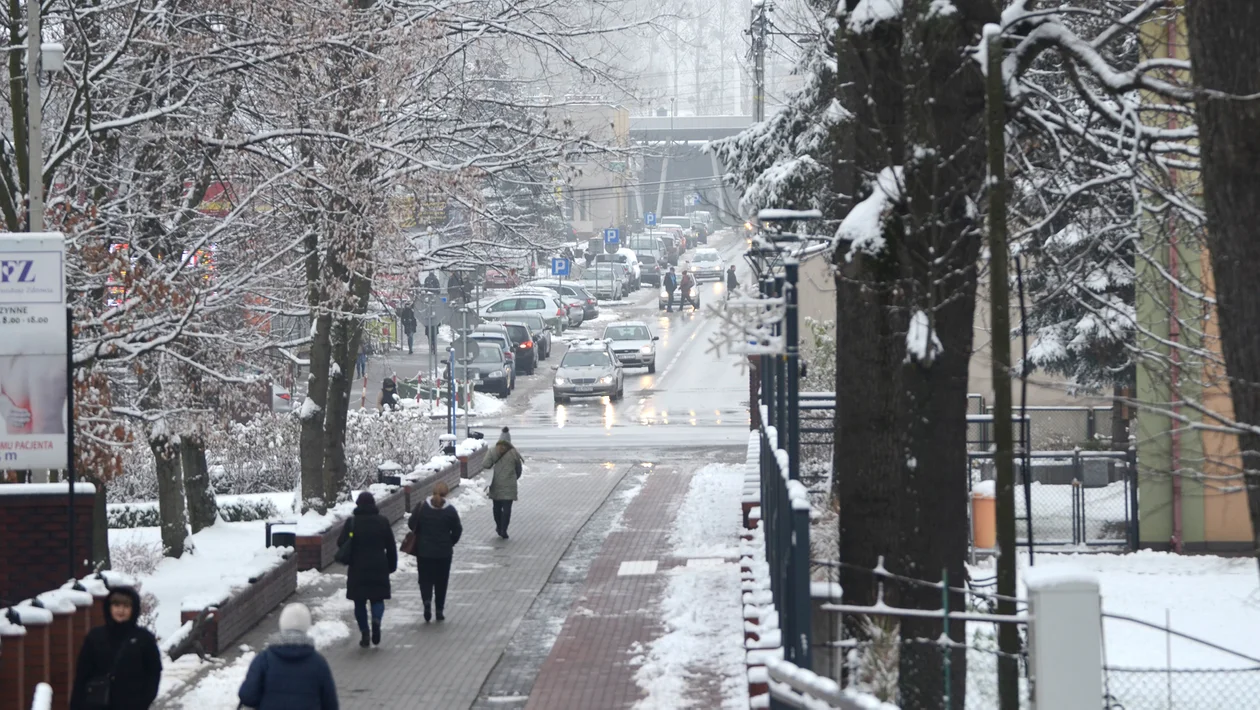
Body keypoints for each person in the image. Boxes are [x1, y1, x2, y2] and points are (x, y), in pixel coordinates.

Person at [70, 585, 161, 710]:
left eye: (126, 606)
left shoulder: (144, 639)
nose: (121, 611)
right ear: (109, 607)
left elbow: (153, 673)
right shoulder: (95, 637)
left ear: (133, 610)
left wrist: (143, 701)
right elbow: (82, 675)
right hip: (97, 705)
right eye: (116, 605)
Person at [237, 603, 338, 710]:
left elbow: (248, 696)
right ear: (306, 626)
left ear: (282, 623)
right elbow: (330, 703)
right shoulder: (318, 663)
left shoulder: (264, 659)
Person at [338, 491, 398, 647]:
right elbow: (391, 546)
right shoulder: (382, 522)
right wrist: (391, 566)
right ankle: (376, 621)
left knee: (359, 602)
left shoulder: (352, 523)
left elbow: (341, 543)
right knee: (378, 599)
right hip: (379, 566)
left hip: (357, 568)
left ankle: (365, 631)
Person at [408, 481, 462, 623]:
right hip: (443, 553)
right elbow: (457, 530)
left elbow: (411, 524)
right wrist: (450, 542)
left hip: (424, 551)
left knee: (425, 579)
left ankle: (426, 601)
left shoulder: (422, 507)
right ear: (447, 493)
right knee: (441, 581)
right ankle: (439, 610)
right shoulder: (450, 511)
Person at [482, 427, 523, 539]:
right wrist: (513, 478)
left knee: (496, 507)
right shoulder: (514, 453)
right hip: (509, 485)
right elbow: (519, 470)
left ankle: (498, 526)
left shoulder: (493, 450)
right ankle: (504, 529)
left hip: (496, 484)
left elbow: (485, 464)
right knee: (507, 509)